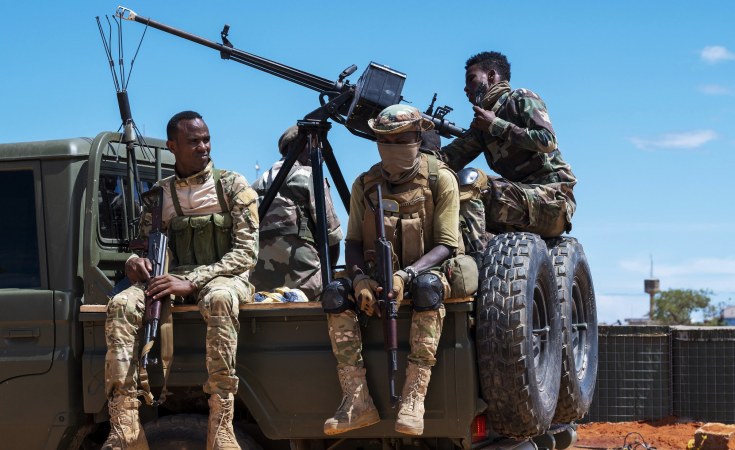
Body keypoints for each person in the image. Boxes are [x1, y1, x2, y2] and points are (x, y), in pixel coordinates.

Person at [102, 111, 259, 450]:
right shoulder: (160, 195)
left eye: (206, 139)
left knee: (220, 298)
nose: (203, 147)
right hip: (173, 278)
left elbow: (247, 254)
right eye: (194, 141)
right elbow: (144, 246)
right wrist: (134, 263)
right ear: (173, 146)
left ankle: (221, 422)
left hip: (226, 277)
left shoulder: (232, 185)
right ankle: (124, 423)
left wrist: (193, 282)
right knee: (121, 303)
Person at [321, 105, 461, 436]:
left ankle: (414, 397)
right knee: (334, 293)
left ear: (418, 138)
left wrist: (405, 276)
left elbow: (446, 245)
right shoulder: (366, 184)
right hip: (380, 276)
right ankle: (357, 401)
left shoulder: (440, 178)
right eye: (386, 140)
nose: (394, 147)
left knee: (427, 289)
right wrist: (360, 279)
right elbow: (353, 242)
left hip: (430, 270)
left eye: (402, 140)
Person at [441, 51, 577, 238]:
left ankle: (477, 255)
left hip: (553, 201)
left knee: (472, 181)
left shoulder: (520, 98)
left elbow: (547, 141)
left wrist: (496, 125)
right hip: (520, 202)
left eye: (471, 79)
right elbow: (449, 158)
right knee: (449, 185)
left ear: (491, 76)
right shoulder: (482, 125)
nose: (465, 89)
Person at [250, 125, 343, 300]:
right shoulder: (309, 175)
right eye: (315, 146)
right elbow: (331, 236)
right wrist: (328, 275)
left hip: (259, 285)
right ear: (301, 146)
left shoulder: (255, 185)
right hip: (304, 284)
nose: (321, 154)